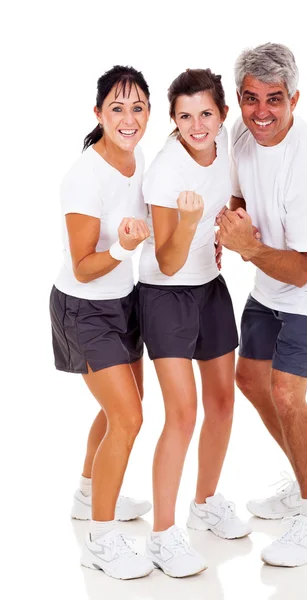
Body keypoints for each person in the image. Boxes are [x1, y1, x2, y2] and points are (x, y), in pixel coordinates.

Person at [217, 43, 307, 567]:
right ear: (239, 98)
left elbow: (301, 269)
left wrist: (246, 247)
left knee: (286, 393)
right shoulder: (242, 134)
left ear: (295, 99)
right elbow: (237, 199)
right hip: (271, 272)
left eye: (274, 99)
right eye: (251, 98)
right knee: (251, 380)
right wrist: (225, 229)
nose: (261, 112)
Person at [137, 68, 251, 578]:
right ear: (174, 120)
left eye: (205, 113)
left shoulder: (227, 141)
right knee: (182, 413)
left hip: (210, 288)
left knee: (223, 403)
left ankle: (204, 502)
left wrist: (229, 224)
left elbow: (233, 191)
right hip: (164, 294)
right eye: (185, 116)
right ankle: (163, 535)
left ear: (222, 114)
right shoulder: (165, 171)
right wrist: (188, 224)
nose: (197, 125)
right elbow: (165, 261)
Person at [49, 65, 154, 579]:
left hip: (123, 301)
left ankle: (89, 492)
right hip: (83, 305)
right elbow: (84, 264)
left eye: (137, 107)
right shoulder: (83, 176)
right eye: (117, 107)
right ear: (99, 114)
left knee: (125, 409)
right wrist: (123, 246)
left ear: (149, 114)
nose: (128, 118)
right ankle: (101, 537)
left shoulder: (139, 164)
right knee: (129, 419)